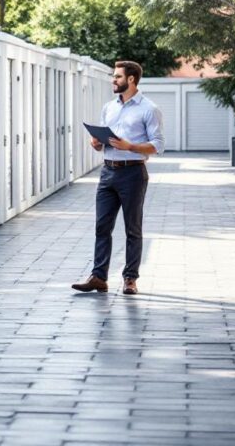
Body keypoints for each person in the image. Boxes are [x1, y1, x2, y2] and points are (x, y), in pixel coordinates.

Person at [72, 61, 164, 295]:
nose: (113, 80)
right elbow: (102, 140)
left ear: (131, 79)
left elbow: (158, 145)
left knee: (133, 228)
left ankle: (130, 279)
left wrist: (130, 146)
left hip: (133, 173)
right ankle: (98, 277)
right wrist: (96, 142)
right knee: (102, 226)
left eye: (117, 77)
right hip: (107, 172)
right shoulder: (109, 108)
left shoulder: (149, 109)